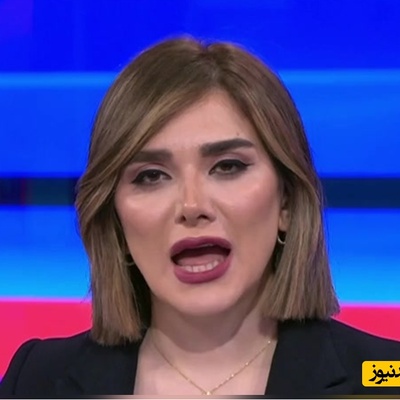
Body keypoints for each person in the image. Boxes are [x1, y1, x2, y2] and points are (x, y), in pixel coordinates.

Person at [1, 37, 400, 398]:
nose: (192, 206)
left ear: (287, 202)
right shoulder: (36, 381)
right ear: (116, 221)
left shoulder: (384, 377)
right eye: (151, 176)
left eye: (227, 166)